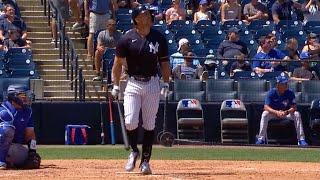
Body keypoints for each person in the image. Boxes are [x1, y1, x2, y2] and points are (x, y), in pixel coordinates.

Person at [111, 5, 170, 175]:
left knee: (150, 124)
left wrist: (166, 83)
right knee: (130, 121)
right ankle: (134, 151)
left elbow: (164, 63)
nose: (148, 17)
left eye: (149, 15)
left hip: (152, 82)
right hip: (133, 83)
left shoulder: (159, 37)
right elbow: (117, 64)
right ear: (136, 19)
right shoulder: (126, 39)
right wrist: (115, 85)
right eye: (144, 15)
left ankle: (145, 161)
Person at [255, 75, 308, 146]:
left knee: (297, 114)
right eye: (283, 84)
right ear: (278, 85)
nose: (286, 85)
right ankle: (261, 139)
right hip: (274, 113)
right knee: (265, 114)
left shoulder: (290, 92)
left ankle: (301, 139)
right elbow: (266, 107)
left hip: (285, 113)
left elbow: (294, 107)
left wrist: (286, 112)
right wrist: (276, 112)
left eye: (286, 83)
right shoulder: (271, 92)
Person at [0, 85, 41, 169]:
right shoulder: (3, 110)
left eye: (26, 95)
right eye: (23, 95)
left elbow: (30, 134)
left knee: (32, 161)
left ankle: (8, 161)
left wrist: (32, 151)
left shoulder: (27, 111)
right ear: (14, 97)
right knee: (7, 128)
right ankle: (1, 161)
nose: (26, 98)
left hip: (13, 147)